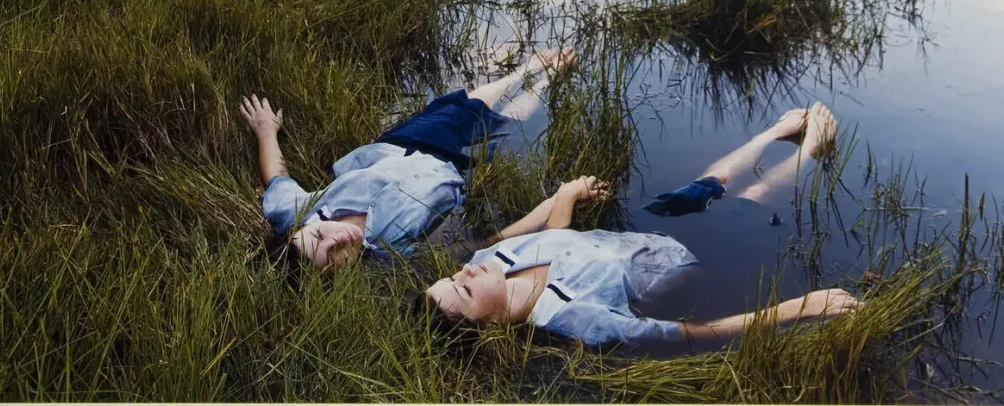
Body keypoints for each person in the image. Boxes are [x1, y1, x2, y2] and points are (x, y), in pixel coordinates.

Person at [423, 102, 860, 350]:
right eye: (463, 290)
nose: (464, 272)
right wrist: (799, 308)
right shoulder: (577, 321)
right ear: (492, 329)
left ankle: (770, 134)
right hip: (688, 259)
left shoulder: (490, 261)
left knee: (709, 181)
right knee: (752, 198)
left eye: (451, 276)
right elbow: (694, 332)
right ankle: (810, 152)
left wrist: (568, 195)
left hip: (646, 230)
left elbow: (554, 240)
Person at [239, 48, 574, 271]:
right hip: (456, 172)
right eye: (330, 255)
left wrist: (266, 131)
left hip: (405, 144)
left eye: (317, 236)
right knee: (513, 123)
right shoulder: (390, 253)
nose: (335, 238)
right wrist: (546, 212)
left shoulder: (300, 212)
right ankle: (545, 83)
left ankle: (529, 69)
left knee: (462, 104)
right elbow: (474, 245)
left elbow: (276, 180)